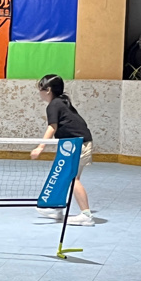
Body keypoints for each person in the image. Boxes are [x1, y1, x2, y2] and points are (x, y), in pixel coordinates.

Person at [31, 74, 94, 226]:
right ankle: (58, 209)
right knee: (64, 176)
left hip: (79, 144)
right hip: (72, 144)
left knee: (73, 179)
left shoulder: (54, 105)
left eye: (40, 88)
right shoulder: (61, 102)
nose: (39, 92)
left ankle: (86, 215)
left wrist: (40, 147)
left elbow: (52, 127)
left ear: (48, 90)